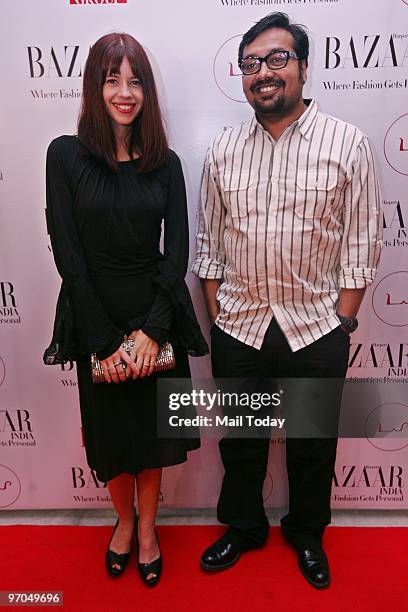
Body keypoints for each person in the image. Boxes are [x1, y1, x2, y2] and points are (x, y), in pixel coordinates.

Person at [193, 12, 382, 588]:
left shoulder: (347, 144)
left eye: (277, 59)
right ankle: (245, 528)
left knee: (311, 444)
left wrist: (342, 321)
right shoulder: (223, 149)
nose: (264, 73)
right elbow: (209, 245)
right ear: (243, 77)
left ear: (302, 65)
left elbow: (362, 240)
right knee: (243, 442)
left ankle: (306, 534)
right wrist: (220, 315)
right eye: (252, 64)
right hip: (242, 326)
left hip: (316, 328)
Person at [44, 32, 208, 587]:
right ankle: (122, 521)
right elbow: (68, 253)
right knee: (113, 438)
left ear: (148, 90)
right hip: (96, 316)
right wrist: (107, 338)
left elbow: (177, 251)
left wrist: (151, 333)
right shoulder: (64, 155)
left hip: (154, 315)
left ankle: (148, 530)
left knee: (154, 436)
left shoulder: (166, 163)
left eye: (135, 80)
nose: (125, 92)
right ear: (95, 84)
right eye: (113, 79)